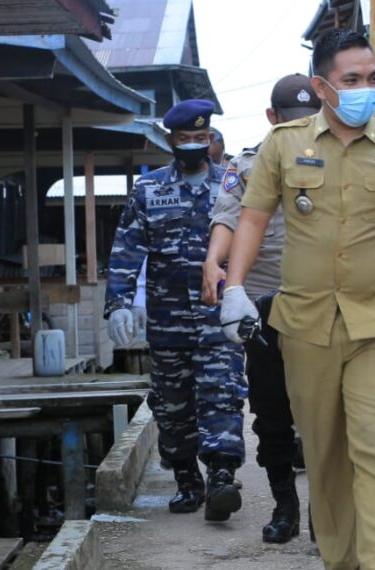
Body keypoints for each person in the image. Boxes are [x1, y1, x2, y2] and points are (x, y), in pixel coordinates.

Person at [219, 29, 375, 570]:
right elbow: (253, 217)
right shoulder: (285, 146)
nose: (365, 90)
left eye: (372, 79)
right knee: (327, 459)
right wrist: (233, 287)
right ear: (322, 86)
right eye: (352, 80)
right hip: (305, 326)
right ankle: (343, 561)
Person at [104, 99, 248, 522]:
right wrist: (119, 302)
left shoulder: (232, 186)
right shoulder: (148, 190)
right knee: (173, 404)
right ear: (171, 140)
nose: (193, 145)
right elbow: (127, 247)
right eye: (185, 139)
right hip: (167, 320)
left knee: (222, 392)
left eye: (201, 138)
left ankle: (222, 476)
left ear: (211, 139)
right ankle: (188, 480)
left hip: (219, 315)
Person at [201, 73, 322, 544]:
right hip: (267, 308)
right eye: (292, 120)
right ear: (272, 118)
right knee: (272, 414)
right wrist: (214, 262)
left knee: (325, 416)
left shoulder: (342, 157)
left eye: (310, 119)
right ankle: (284, 506)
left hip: (324, 304)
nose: (302, 127)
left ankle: (323, 511)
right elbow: (229, 217)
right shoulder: (249, 165)